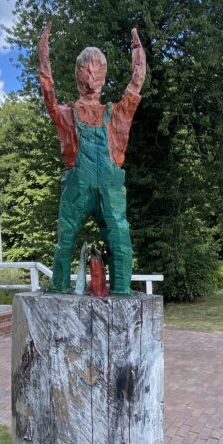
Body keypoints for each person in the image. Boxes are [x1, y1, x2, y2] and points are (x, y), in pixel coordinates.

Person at [39, 22, 146, 294]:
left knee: (120, 237)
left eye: (95, 72)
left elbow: (137, 82)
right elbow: (48, 92)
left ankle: (121, 289)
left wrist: (137, 46)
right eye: (85, 71)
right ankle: (59, 286)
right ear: (78, 75)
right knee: (66, 239)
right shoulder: (66, 114)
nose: (90, 79)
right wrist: (43, 55)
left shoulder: (117, 114)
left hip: (109, 188)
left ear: (103, 76)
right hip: (77, 188)